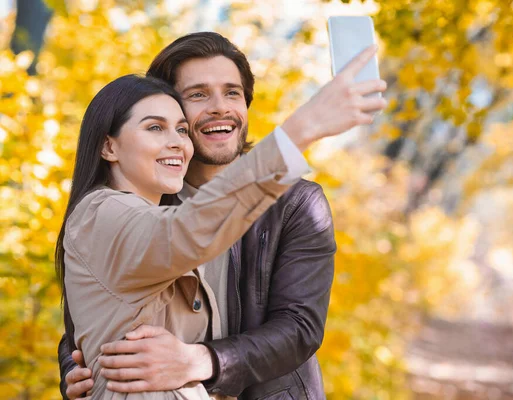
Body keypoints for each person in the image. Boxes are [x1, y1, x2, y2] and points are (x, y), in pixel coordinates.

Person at [59, 33, 387, 399]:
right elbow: (97, 307)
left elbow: (299, 327)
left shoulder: (296, 202)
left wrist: (201, 361)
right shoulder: (142, 203)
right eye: (198, 94)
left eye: (232, 93)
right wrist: (79, 367)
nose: (220, 107)